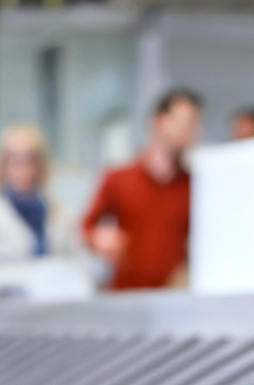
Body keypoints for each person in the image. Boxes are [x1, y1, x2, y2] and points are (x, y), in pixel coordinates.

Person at [81, 89, 202, 290]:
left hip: (174, 294)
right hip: (126, 294)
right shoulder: (118, 179)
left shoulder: (193, 185)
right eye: (186, 123)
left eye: (196, 124)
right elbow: (86, 226)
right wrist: (99, 238)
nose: (193, 132)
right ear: (159, 122)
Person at [0, 125, 95, 301]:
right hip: (1, 311)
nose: (24, 169)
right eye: (15, 161)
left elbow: (80, 263)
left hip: (54, 310)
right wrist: (33, 275)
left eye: (31, 160)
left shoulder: (59, 212)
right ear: (1, 165)